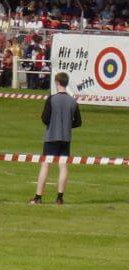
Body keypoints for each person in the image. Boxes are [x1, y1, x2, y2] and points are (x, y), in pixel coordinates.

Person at [30, 72, 82, 205]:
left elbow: (45, 118)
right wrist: (67, 124)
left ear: (57, 83)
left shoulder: (51, 99)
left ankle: (38, 197)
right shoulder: (73, 101)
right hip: (65, 138)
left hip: (51, 136)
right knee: (63, 166)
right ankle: (59, 197)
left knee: (45, 165)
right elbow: (78, 122)